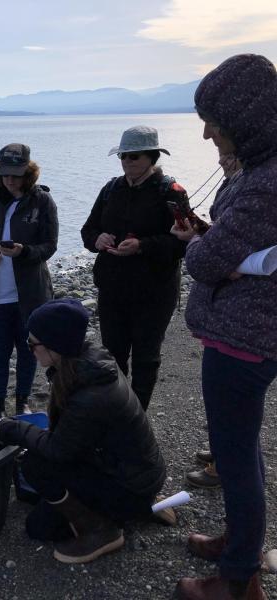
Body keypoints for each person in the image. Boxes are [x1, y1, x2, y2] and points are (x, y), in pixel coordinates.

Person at [170, 54, 277, 600]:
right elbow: (226, 251)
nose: (207, 132)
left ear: (247, 118)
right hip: (247, 334)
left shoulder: (265, 183)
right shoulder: (262, 167)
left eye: (215, 120)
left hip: (243, 340)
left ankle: (238, 584)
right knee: (241, 451)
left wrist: (211, 249)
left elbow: (205, 263)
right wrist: (219, 244)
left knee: (235, 459)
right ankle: (241, 543)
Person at [0, 298, 166, 564]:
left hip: (131, 486)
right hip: (137, 474)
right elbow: (73, 435)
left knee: (37, 486)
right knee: (39, 509)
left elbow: (58, 450)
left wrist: (8, 428)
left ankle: (103, 531)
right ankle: (140, 508)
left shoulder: (90, 394)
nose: (30, 349)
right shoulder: (87, 364)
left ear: (55, 346)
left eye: (33, 344)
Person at [80, 125, 189, 410]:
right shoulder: (110, 189)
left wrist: (142, 245)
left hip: (154, 291)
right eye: (123, 156)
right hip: (113, 288)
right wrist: (97, 239)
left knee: (146, 358)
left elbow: (184, 244)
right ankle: (117, 411)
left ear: (152, 157)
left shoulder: (172, 192)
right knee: (112, 356)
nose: (128, 162)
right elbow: (88, 230)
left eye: (135, 156)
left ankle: (137, 416)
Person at [0, 143, 58, 418]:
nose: (9, 179)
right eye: (5, 173)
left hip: (30, 296)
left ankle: (21, 403)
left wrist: (25, 252)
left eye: (16, 174)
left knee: (28, 351)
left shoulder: (43, 202)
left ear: (28, 172)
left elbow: (50, 245)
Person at [185, 152, 241, 491]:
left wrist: (196, 240)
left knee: (229, 401)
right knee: (219, 398)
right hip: (223, 313)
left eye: (227, 153)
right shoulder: (236, 181)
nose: (221, 158)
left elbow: (214, 258)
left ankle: (223, 466)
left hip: (238, 321)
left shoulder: (256, 185)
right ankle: (221, 452)